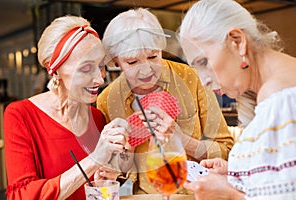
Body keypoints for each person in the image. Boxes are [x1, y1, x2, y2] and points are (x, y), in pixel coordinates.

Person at [97, 8, 234, 195]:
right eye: (132, 62)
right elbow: (117, 177)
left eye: (153, 57)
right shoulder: (107, 100)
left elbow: (227, 151)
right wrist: (122, 157)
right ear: (115, 61)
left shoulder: (191, 79)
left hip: (198, 195)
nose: (146, 71)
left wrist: (182, 140)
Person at [179, 0, 296, 199]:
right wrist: (236, 173)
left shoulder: (279, 97)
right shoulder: (277, 86)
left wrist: (229, 194)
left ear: (237, 41)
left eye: (203, 62)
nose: (203, 80)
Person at [4, 16, 130, 200]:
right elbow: (21, 195)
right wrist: (94, 159)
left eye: (101, 66)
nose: (100, 79)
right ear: (55, 71)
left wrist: (111, 174)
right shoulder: (20, 115)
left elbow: (98, 188)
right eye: (86, 69)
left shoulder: (97, 116)